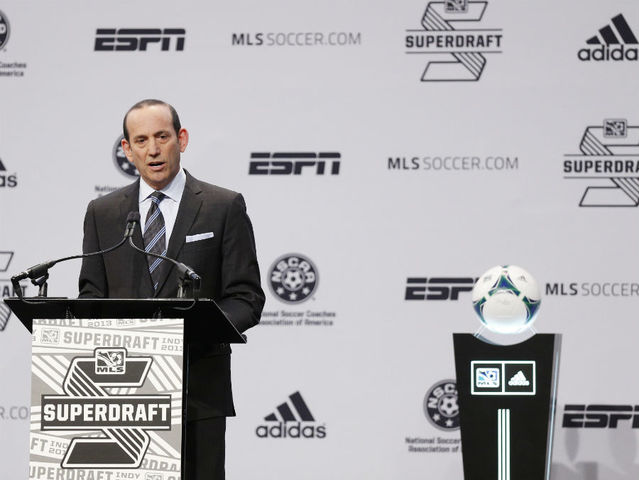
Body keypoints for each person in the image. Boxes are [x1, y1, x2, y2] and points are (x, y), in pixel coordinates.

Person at [79, 99, 264, 479]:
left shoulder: (222, 206)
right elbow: (91, 297)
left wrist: (193, 331)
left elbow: (246, 297)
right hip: (123, 394)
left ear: (182, 139)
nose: (153, 149)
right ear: (127, 149)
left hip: (198, 391)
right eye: (141, 140)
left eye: (162, 137)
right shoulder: (103, 212)